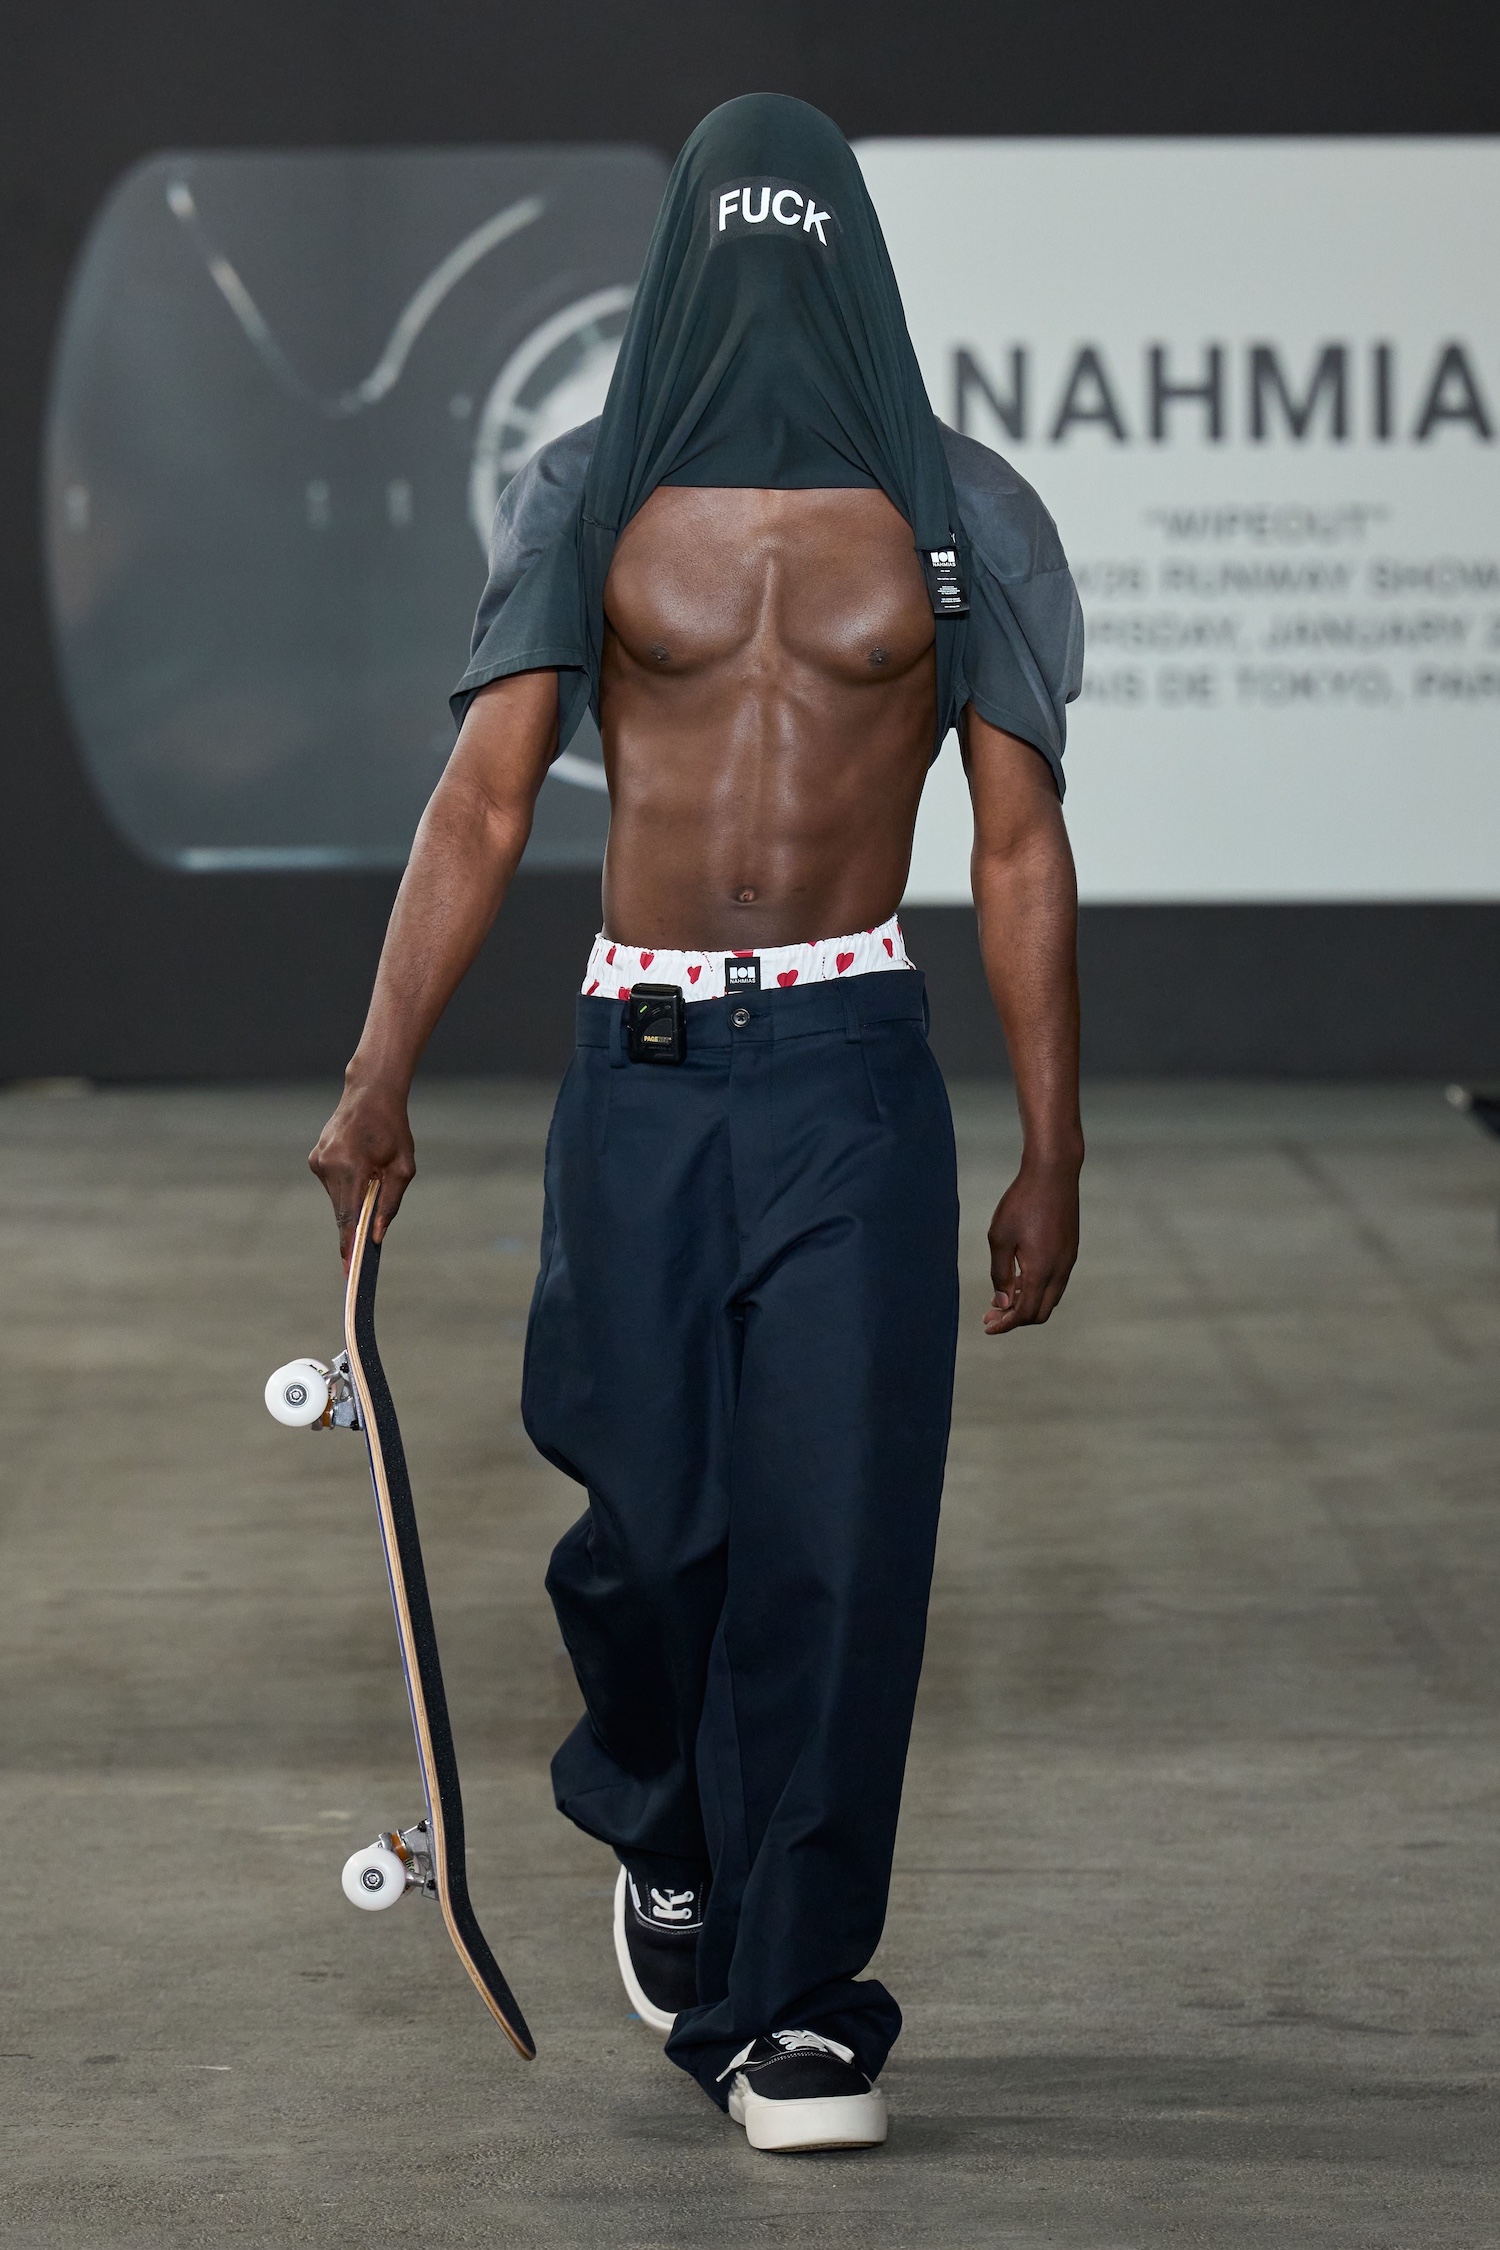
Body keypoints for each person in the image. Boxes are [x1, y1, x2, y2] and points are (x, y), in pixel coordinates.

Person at [311, 93, 1083, 2154]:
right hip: (639, 1077)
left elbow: (1017, 845)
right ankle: (663, 1823)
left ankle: (798, 2003)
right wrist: (380, 1067)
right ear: (678, 266)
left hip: (848, 1072)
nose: (759, 293)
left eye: (793, 248)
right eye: (725, 250)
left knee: (838, 1545)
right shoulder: (586, 491)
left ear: (852, 266)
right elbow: (485, 798)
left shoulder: (963, 515)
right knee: (651, 1541)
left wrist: (1055, 1147)